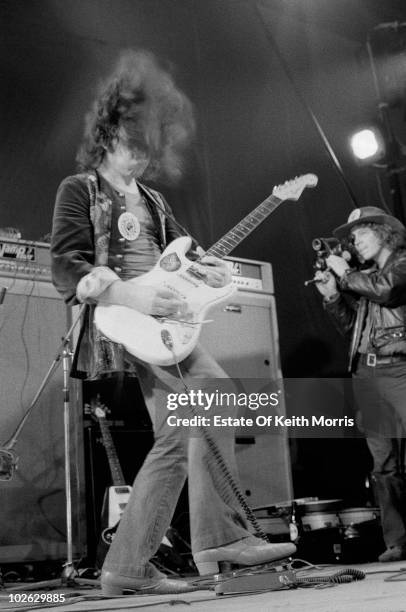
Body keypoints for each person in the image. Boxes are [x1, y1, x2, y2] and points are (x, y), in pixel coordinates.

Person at [51, 49, 294, 596]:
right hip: (124, 323)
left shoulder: (155, 201)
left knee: (194, 419)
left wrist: (205, 275)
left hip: (169, 328)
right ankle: (210, 541)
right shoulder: (81, 189)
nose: (138, 159)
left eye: (146, 150)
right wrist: (113, 288)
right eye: (130, 146)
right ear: (109, 132)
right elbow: (66, 264)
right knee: (203, 405)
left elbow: (179, 261)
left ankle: (140, 561)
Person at [314, 206, 406, 562]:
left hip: (398, 368)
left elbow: (386, 291)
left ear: (383, 232)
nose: (354, 242)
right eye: (352, 238)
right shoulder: (364, 277)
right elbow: (354, 330)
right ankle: (398, 541)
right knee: (383, 464)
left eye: (360, 234)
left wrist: (346, 274)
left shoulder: (399, 266)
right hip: (367, 373)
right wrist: (334, 297)